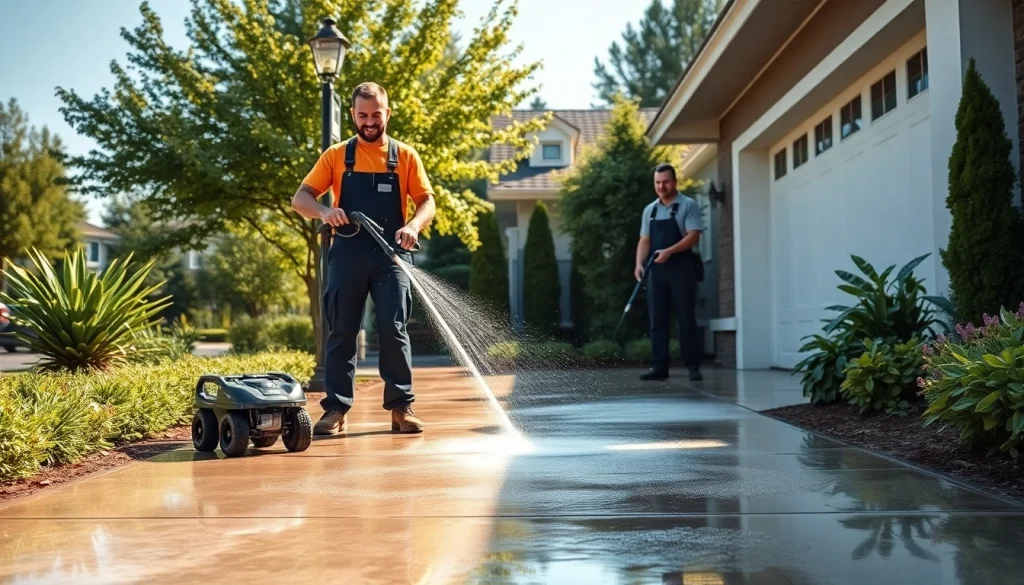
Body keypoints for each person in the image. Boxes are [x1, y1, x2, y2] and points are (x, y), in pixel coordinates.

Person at [291, 81, 436, 435]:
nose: (369, 121)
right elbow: (301, 199)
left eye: (375, 114)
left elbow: (426, 202)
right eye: (362, 115)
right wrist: (325, 212)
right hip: (347, 253)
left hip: (392, 255)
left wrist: (414, 225)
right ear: (353, 115)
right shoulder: (337, 155)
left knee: (394, 330)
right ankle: (336, 409)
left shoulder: (404, 156)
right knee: (342, 331)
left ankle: (401, 408)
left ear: (388, 113)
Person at [634, 163, 704, 381]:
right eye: (657, 182)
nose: (661, 186)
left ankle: (693, 366)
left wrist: (669, 251)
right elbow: (645, 239)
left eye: (665, 182)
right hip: (657, 270)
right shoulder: (650, 210)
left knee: (685, 316)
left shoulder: (688, 205)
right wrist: (639, 264)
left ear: (674, 182)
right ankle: (659, 367)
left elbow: (693, 235)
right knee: (658, 319)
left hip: (682, 268)